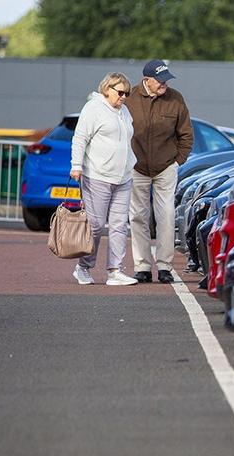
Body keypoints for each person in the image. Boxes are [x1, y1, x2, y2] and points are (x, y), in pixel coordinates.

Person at [125, 59, 194, 284]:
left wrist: (178, 161)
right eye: (160, 80)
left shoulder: (176, 98)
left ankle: (164, 267)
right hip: (137, 166)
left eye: (166, 79)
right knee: (137, 217)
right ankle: (142, 267)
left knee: (166, 216)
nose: (164, 84)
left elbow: (186, 134)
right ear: (147, 80)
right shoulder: (130, 98)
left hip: (166, 166)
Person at [70, 72, 139, 286]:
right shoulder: (94, 109)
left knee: (119, 225)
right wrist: (76, 165)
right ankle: (83, 267)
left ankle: (115, 271)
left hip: (123, 177)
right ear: (106, 89)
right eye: (120, 92)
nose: (124, 97)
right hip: (97, 175)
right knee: (96, 225)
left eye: (127, 93)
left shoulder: (124, 111)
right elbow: (80, 138)